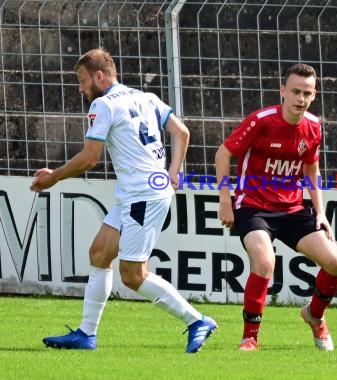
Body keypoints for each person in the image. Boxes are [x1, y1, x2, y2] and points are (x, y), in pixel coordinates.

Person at [30, 48, 217, 353]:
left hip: (143, 197)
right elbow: (182, 132)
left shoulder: (103, 105)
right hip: (139, 193)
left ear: (99, 76)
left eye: (82, 79)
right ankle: (86, 335)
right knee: (100, 253)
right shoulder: (147, 98)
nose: (80, 88)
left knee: (133, 275)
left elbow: (90, 158)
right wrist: (174, 173)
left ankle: (197, 320)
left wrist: (54, 176)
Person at [215, 63, 337, 351]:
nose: (301, 98)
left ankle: (314, 315)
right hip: (253, 207)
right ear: (283, 92)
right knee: (264, 263)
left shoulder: (313, 126)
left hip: (292, 210)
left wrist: (320, 213)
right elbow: (223, 154)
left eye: (307, 93)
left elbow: (312, 171)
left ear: (314, 95)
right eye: (296, 91)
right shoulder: (261, 121)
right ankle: (250, 337)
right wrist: (225, 201)